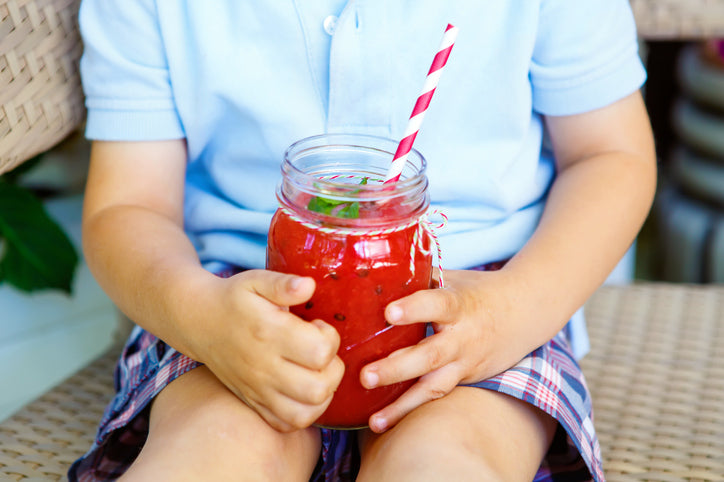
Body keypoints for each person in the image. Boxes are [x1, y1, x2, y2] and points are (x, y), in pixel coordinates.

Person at [69, 1, 656, 480]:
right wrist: (199, 315)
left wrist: (517, 307)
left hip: (480, 305)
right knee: (213, 451)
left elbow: (612, 156)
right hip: (231, 302)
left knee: (445, 462)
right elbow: (128, 206)